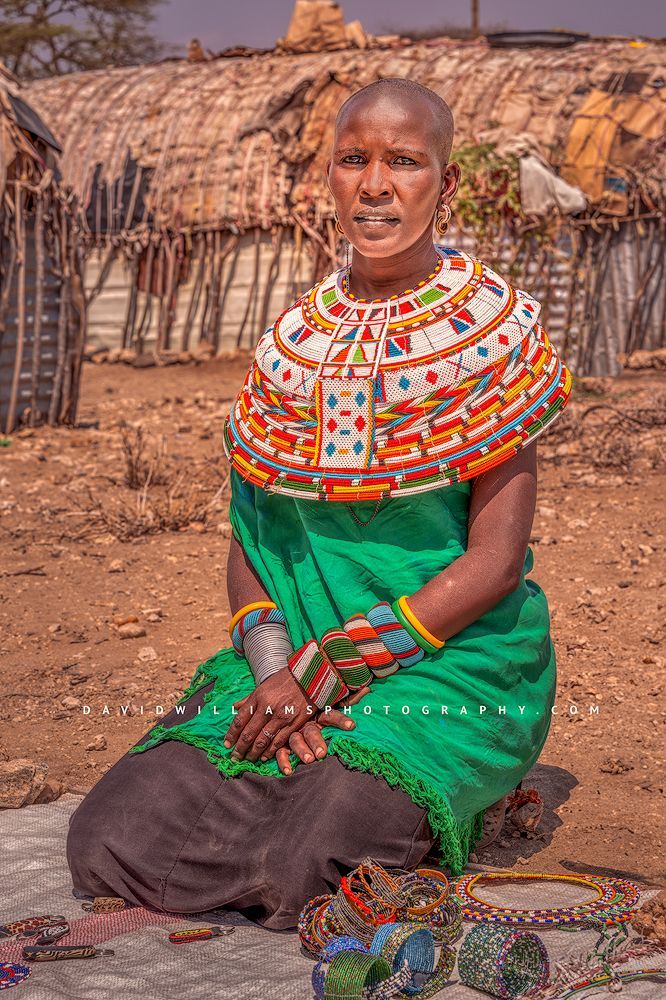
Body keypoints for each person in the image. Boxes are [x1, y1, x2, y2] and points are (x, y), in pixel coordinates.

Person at [66, 78, 572, 930]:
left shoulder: (494, 338)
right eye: (354, 160)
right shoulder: (287, 351)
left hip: (450, 661)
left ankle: (443, 789)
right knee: (108, 840)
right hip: (289, 661)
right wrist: (276, 672)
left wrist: (336, 665)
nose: (376, 184)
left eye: (404, 162)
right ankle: (314, 771)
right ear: (329, 181)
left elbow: (495, 561)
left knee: (322, 860)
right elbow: (252, 541)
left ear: (444, 187)